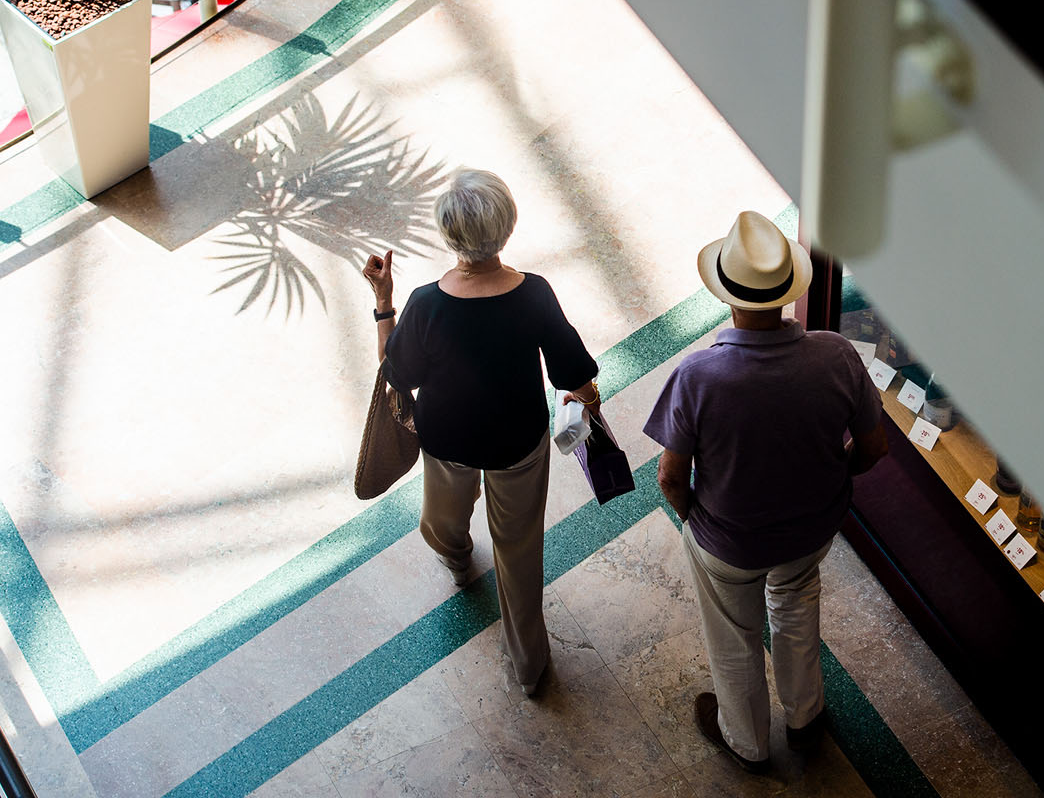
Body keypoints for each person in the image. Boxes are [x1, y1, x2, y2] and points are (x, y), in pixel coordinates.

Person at [644, 211, 889, 771]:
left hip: (727, 543)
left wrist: (697, 519)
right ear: (786, 293)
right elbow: (873, 449)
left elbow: (670, 478)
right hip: (811, 531)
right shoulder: (836, 355)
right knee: (798, 605)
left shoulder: (699, 375)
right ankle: (806, 720)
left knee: (735, 639)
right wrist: (829, 483)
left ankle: (747, 744)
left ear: (727, 295)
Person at [363, 169, 599, 696]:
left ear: (449, 236)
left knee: (439, 520)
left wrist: (384, 302)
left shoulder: (426, 303)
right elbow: (576, 377)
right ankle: (529, 666)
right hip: (519, 442)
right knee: (519, 552)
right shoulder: (534, 294)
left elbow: (394, 370)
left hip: (447, 442)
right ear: (507, 227)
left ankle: (456, 555)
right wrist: (580, 411)